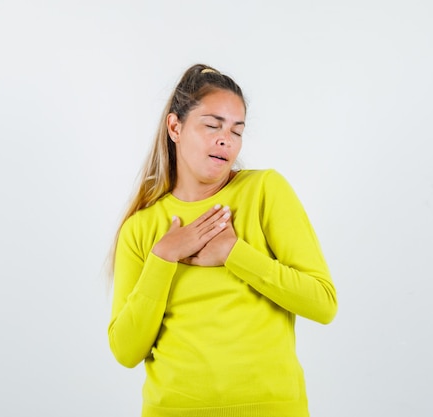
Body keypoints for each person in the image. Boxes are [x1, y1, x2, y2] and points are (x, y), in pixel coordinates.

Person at [108, 63, 338, 417]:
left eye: (236, 130)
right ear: (175, 127)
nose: (225, 140)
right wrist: (163, 257)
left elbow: (322, 303)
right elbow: (125, 351)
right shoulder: (141, 228)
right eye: (212, 125)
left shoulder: (265, 191)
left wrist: (234, 252)